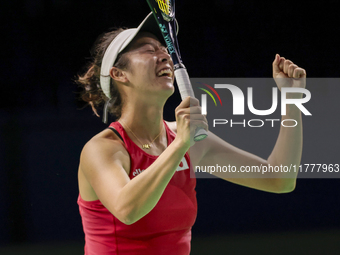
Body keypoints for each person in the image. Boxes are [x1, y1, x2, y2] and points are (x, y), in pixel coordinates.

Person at [76, 12, 306, 255]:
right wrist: (179, 145)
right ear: (119, 74)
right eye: (148, 50)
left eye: (164, 49)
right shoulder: (103, 149)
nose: (164, 55)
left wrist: (291, 99)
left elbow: (279, 179)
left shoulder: (188, 139)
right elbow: (127, 210)